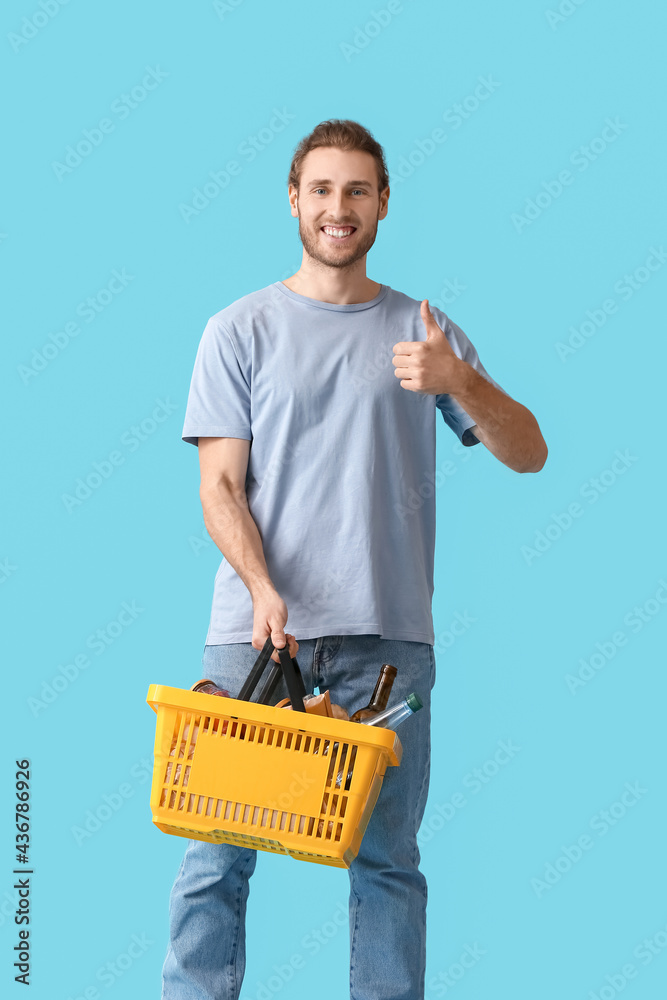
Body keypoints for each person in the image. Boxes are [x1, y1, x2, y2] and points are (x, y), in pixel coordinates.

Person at [162, 118, 547, 1000]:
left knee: (387, 867)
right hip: (259, 642)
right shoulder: (238, 329)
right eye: (323, 190)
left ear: (382, 205)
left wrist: (464, 384)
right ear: (294, 201)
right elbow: (218, 486)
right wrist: (262, 587)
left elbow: (527, 452)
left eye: (358, 191)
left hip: (390, 644)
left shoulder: (423, 328)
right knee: (214, 856)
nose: (340, 208)